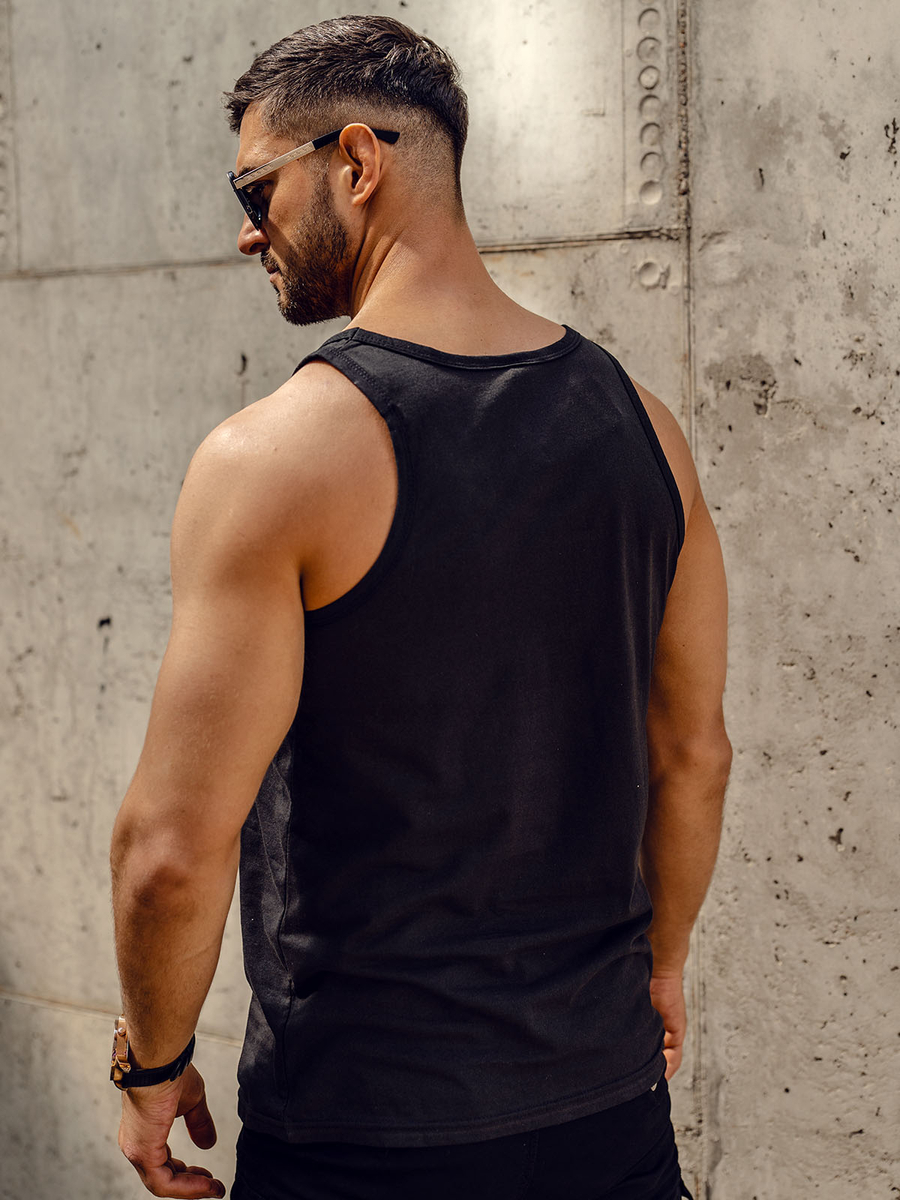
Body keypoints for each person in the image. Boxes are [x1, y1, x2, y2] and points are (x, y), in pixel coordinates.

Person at [109, 15, 730, 1200]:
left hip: (365, 1135)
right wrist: (663, 967)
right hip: (607, 1116)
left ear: (356, 161)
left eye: (255, 189)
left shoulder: (275, 459)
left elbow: (169, 853)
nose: (247, 231)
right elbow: (694, 754)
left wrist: (152, 1062)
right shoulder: (649, 430)